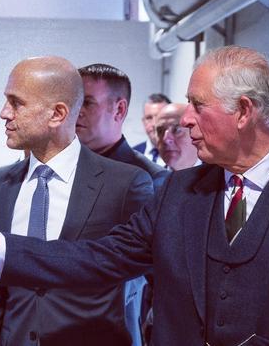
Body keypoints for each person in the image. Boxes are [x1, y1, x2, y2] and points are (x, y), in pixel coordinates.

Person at [0, 46, 269, 346]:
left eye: (197, 105)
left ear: (244, 112)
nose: (185, 120)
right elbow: (96, 258)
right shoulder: (178, 193)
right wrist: (0, 248)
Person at [0, 56, 153, 346]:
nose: (3, 113)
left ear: (57, 114)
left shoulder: (125, 184)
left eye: (16, 103)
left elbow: (150, 279)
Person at [77, 63, 166, 346]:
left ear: (119, 110)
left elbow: (160, 276)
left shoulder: (152, 180)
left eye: (87, 103)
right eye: (73, 102)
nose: (75, 112)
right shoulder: (58, 173)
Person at [154, 103, 201, 171]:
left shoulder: (219, 177)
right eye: (160, 131)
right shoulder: (150, 179)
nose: (165, 139)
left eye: (177, 130)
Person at [132, 93, 170, 166]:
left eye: (160, 116)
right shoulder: (131, 155)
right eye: (149, 118)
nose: (154, 124)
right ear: (143, 122)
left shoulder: (183, 155)